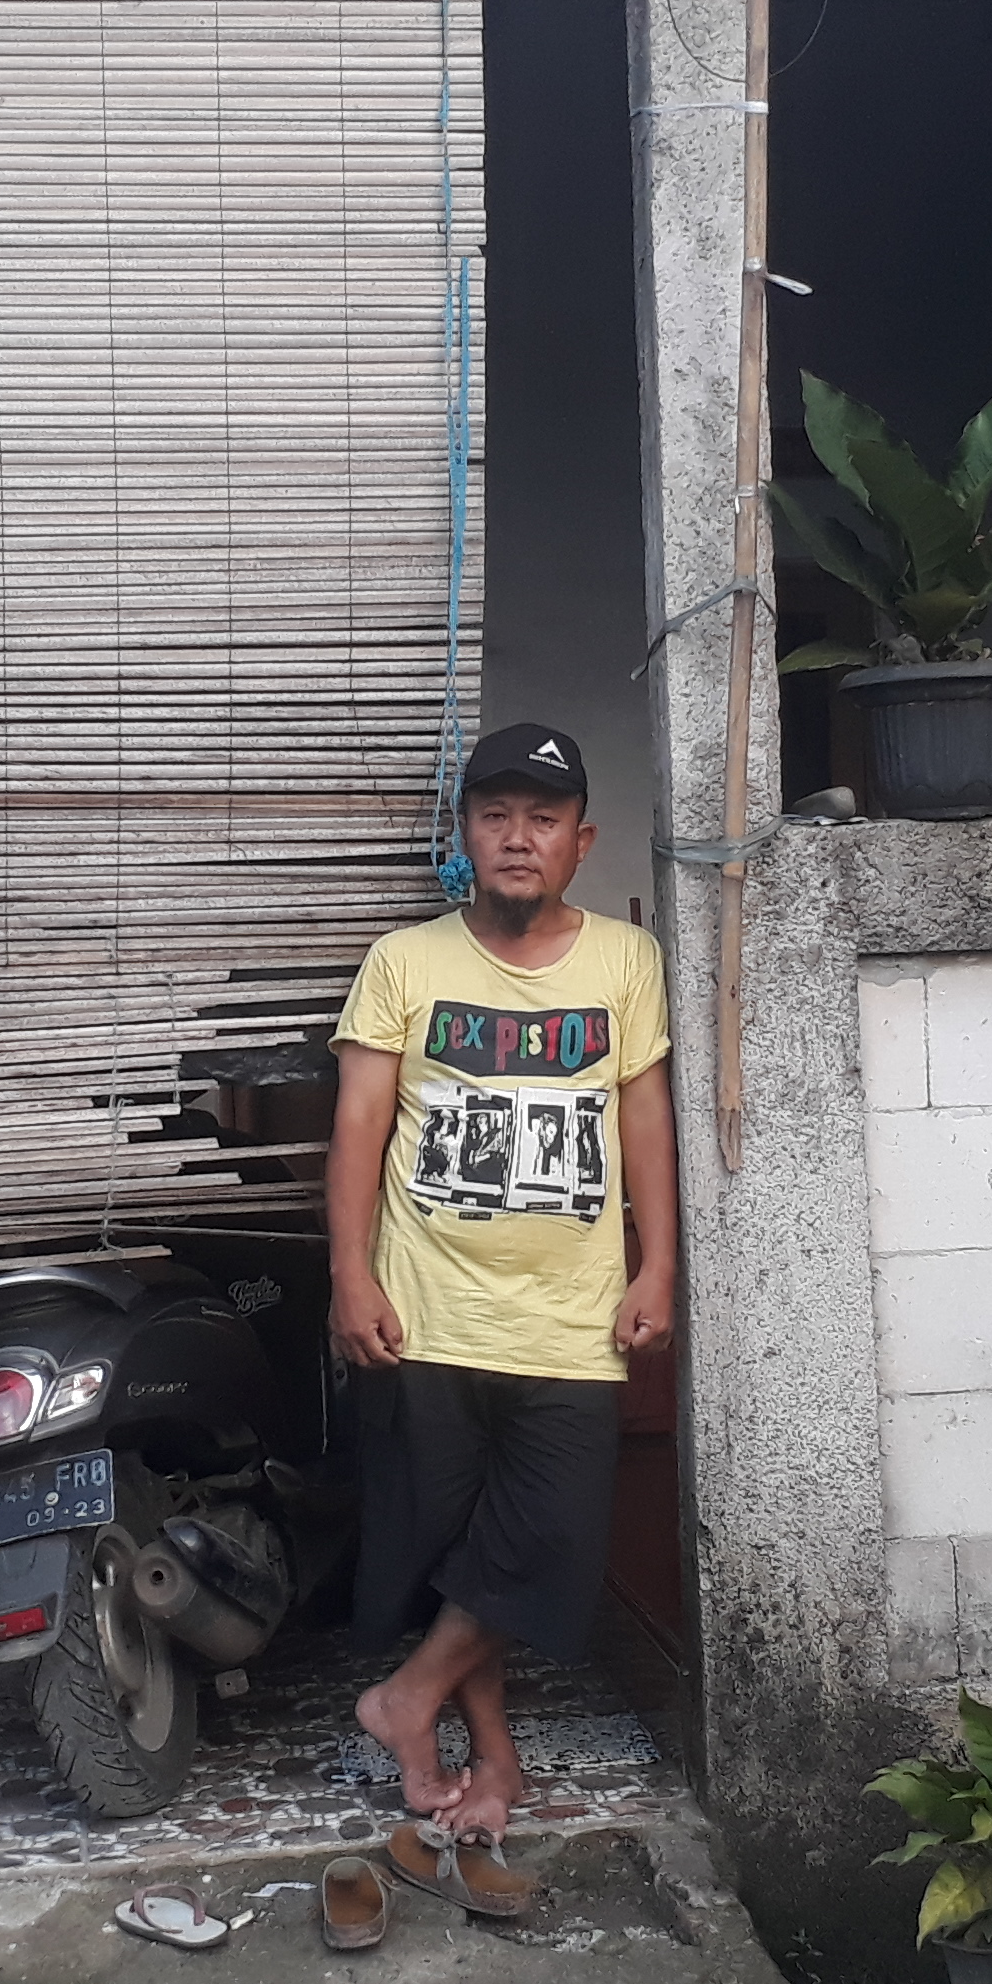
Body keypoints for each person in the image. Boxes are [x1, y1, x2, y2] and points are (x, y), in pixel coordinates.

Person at [328, 720, 677, 1875]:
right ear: (465, 833)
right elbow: (360, 1127)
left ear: (582, 841)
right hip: (426, 1309)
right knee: (457, 1551)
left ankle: (404, 1700)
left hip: (571, 1319)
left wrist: (659, 1263)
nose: (518, 837)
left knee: (547, 1540)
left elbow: (643, 1118)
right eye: (495, 816)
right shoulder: (403, 962)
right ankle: (493, 1757)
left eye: (542, 818)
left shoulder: (625, 961)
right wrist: (349, 1275)